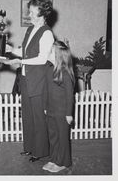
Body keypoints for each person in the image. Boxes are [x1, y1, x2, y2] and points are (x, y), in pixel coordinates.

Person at [4, 0, 54, 162]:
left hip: (39, 80)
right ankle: (29, 147)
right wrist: (10, 49)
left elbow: (42, 58)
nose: (29, 15)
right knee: (27, 115)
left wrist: (20, 61)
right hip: (26, 79)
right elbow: (24, 51)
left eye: (32, 12)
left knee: (38, 116)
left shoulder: (46, 33)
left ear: (42, 13)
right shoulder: (30, 29)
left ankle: (40, 151)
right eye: (29, 11)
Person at [42, 40, 75, 173]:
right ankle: (54, 158)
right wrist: (45, 106)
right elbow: (45, 90)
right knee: (53, 136)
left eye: (51, 51)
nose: (48, 53)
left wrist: (69, 114)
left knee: (62, 138)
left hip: (62, 113)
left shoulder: (65, 73)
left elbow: (69, 96)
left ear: (58, 55)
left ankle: (64, 162)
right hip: (50, 110)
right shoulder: (49, 69)